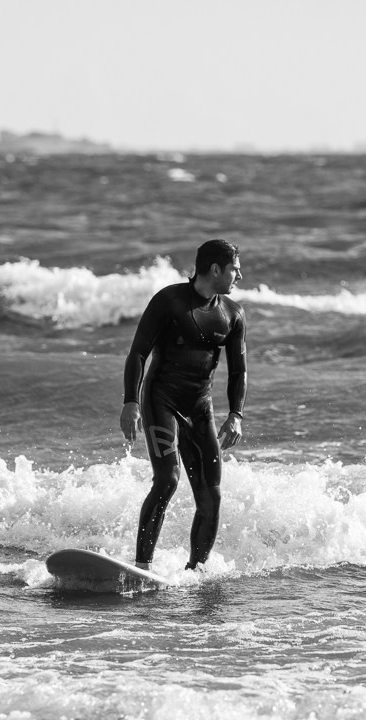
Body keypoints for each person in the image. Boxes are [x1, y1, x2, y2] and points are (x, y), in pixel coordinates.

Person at [120, 239, 247, 572]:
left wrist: (236, 415)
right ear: (216, 269)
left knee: (211, 497)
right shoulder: (169, 301)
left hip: (200, 408)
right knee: (167, 480)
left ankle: (196, 572)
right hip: (161, 399)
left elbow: (239, 371)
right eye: (235, 268)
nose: (240, 275)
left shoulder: (232, 314)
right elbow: (138, 353)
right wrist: (131, 402)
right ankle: (142, 567)